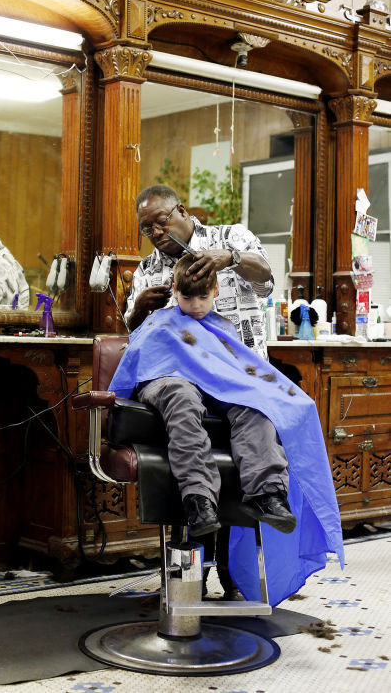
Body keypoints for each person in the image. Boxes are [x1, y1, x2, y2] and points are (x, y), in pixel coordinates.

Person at [110, 254, 344, 607]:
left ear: (215, 290)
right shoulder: (160, 321)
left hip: (215, 390)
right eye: (187, 298)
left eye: (203, 297)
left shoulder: (223, 327)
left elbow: (238, 373)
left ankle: (267, 493)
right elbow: (137, 367)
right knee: (182, 398)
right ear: (175, 291)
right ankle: (199, 500)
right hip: (167, 382)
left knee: (255, 404)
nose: (196, 306)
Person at [126, 184, 273, 359]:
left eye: (162, 221)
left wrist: (231, 257)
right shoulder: (146, 270)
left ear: (181, 211)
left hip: (243, 370)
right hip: (182, 378)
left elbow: (266, 283)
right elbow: (133, 334)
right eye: (147, 229)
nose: (156, 232)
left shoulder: (230, 238)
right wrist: (139, 310)